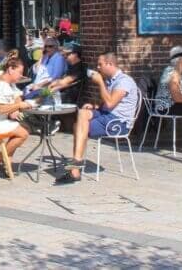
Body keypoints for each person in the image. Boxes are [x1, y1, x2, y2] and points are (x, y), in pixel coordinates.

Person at [55, 51, 139, 184]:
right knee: (82, 112)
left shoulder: (124, 81)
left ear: (110, 64)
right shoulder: (112, 80)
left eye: (100, 64)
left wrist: (100, 82)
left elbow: (111, 103)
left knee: (78, 126)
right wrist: (94, 106)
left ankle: (75, 168)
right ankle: (76, 164)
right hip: (107, 115)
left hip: (118, 123)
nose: (98, 67)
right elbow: (106, 104)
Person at [0, 57, 35, 171]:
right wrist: (18, 106)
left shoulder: (8, 82)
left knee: (22, 128)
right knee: (23, 133)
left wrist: (16, 108)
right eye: (19, 72)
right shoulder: (0, 85)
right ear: (10, 69)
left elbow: (17, 95)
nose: (20, 76)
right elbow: (1, 109)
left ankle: (6, 160)